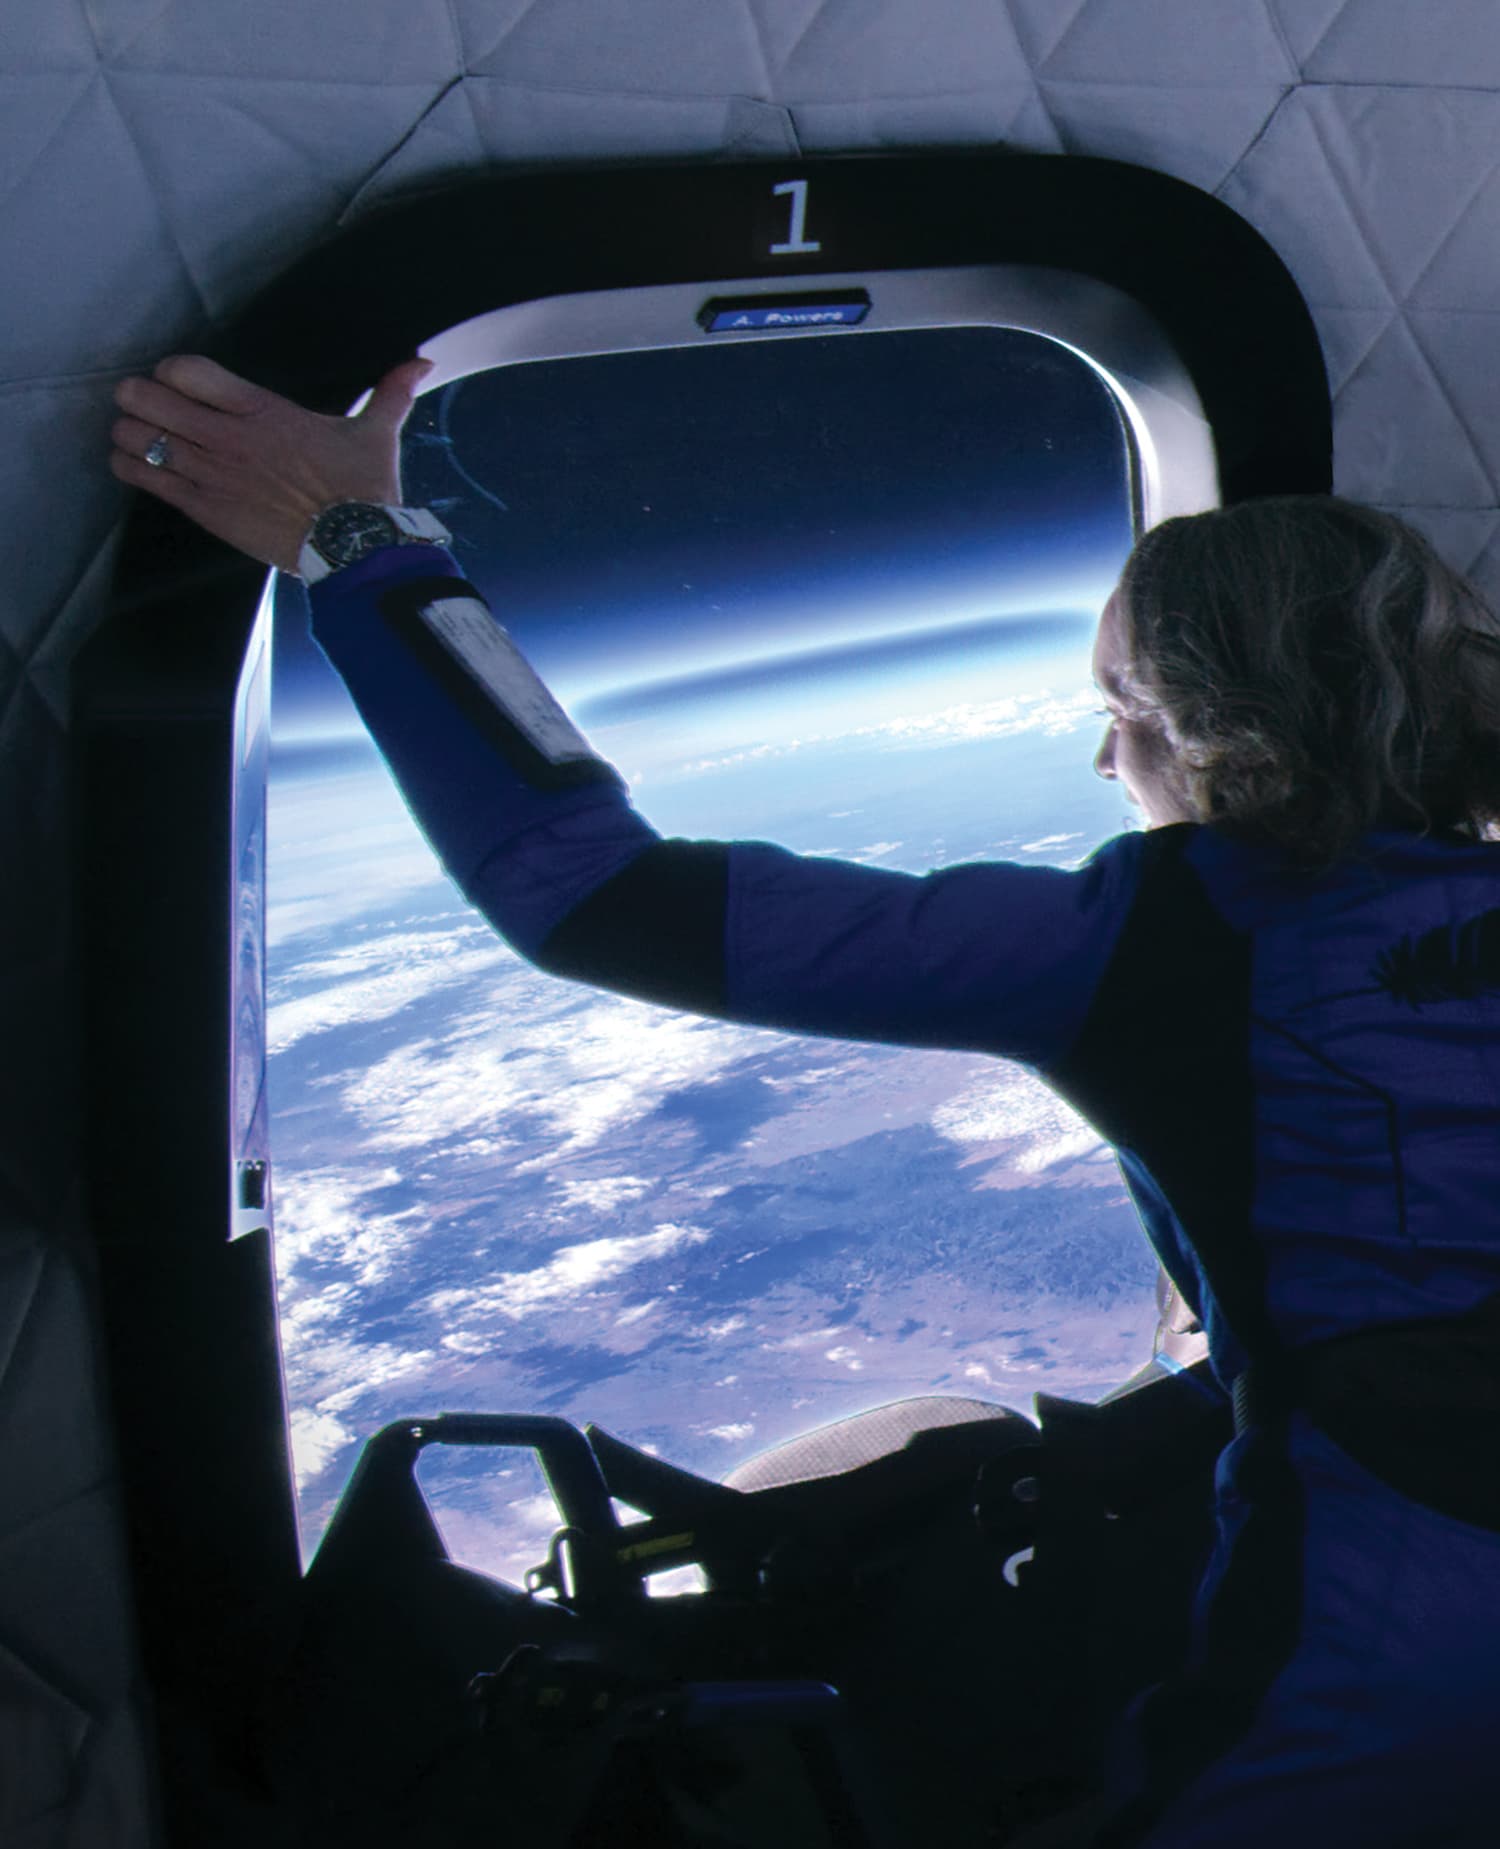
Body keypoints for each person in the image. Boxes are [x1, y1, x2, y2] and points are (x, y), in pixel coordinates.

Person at [110, 355, 1500, 1846]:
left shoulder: (1151, 943)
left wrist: (360, 546)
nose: (1107, 753)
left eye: (1127, 706)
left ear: (1233, 735)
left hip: (1403, 1603)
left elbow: (588, 892)